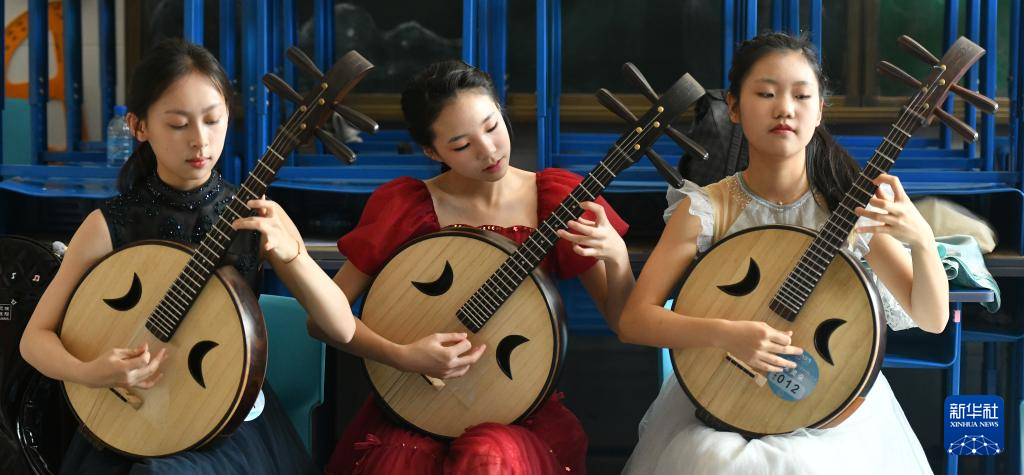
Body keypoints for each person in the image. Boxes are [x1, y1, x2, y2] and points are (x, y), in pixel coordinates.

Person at [20, 38, 356, 475]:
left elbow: (341, 327)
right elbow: (35, 339)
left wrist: (293, 256)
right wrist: (89, 372)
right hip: (129, 418)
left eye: (213, 120)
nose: (200, 140)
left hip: (225, 419)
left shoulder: (257, 216)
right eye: (178, 124)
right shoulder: (108, 225)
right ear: (139, 127)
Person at [617, 32, 947, 474]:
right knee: (715, 459)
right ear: (734, 107)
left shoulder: (850, 208)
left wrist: (921, 239)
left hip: (833, 411)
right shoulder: (705, 210)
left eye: (801, 96)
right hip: (725, 397)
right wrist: (727, 334)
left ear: (820, 110)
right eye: (766, 94)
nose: (785, 109)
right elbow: (634, 321)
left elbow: (932, 318)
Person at [314, 59, 634, 474]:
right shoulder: (407, 207)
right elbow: (323, 320)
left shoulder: (557, 199)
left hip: (516, 409)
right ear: (432, 152)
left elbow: (624, 322)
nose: (489, 150)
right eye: (462, 145)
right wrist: (403, 356)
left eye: (492, 126)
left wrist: (617, 256)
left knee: (491, 458)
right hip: (418, 405)